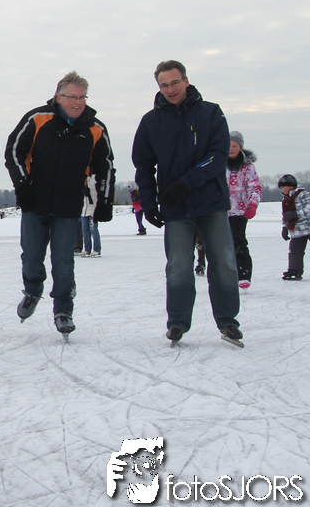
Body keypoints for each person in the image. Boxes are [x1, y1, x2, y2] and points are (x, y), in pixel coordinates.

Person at [131, 61, 244, 348]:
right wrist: (149, 202)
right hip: (175, 208)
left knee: (224, 263)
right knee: (179, 266)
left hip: (211, 202)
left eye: (174, 82)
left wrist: (185, 184)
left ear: (186, 81)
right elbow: (143, 165)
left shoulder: (211, 113)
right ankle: (178, 323)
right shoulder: (151, 121)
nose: (170, 89)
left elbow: (217, 156)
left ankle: (228, 321)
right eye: (164, 85)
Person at [4, 70, 114, 337]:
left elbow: (106, 166)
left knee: (64, 261)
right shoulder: (37, 118)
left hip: (68, 206)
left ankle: (63, 309)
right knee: (32, 256)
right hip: (35, 202)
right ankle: (32, 291)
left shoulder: (95, 129)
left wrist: (105, 201)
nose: (78, 102)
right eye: (73, 97)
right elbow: (14, 151)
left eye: (82, 97)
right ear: (58, 97)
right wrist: (23, 186)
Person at [226, 131, 262, 289]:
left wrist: (252, 204)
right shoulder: (217, 163)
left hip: (239, 211)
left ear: (240, 147)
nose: (231, 149)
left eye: (235, 146)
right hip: (220, 210)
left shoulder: (248, 167)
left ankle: (243, 274)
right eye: (228, 145)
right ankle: (224, 274)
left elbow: (255, 188)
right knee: (220, 244)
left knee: (238, 241)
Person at [80, 182, 103, 258]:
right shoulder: (82, 182)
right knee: (85, 230)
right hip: (84, 210)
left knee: (93, 229)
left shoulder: (95, 181)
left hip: (93, 210)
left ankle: (97, 249)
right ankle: (87, 249)